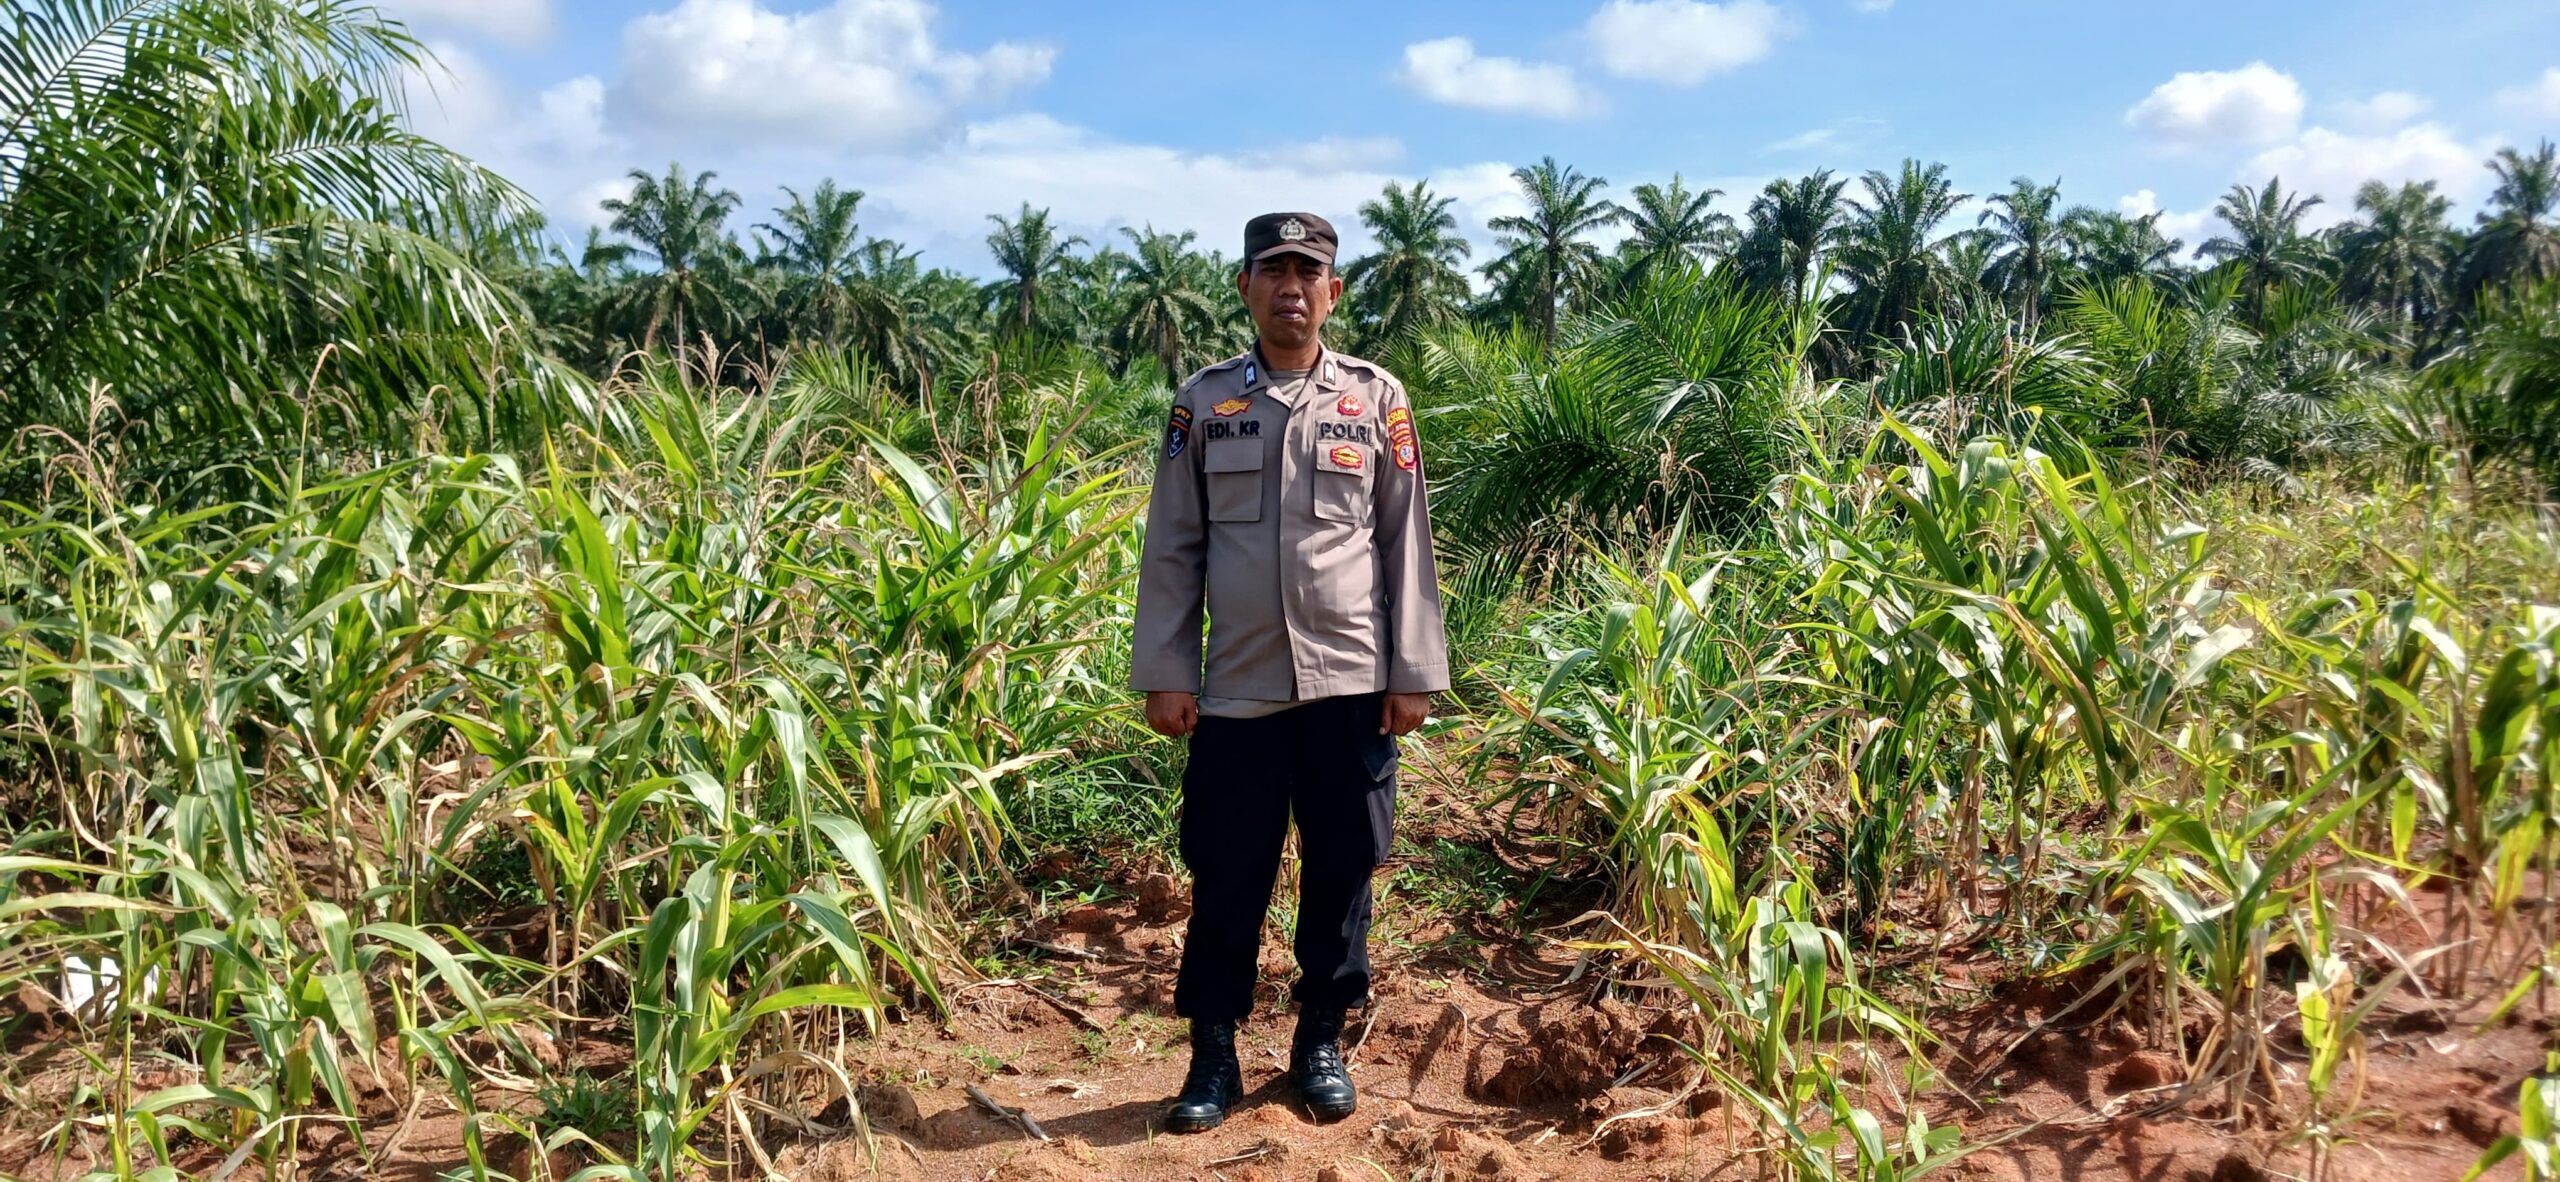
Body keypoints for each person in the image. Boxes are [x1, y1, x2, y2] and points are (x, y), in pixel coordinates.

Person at [1131, 211, 1451, 1132]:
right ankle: (1214, 1053)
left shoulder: (1375, 398)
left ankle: (1319, 1037)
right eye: (1272, 270)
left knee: (1345, 863)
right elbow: (1174, 546)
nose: (1291, 287)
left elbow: (1405, 540)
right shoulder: (1204, 403)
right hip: (1235, 686)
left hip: (1352, 683)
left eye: (1308, 272)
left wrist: (1412, 668)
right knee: (1228, 870)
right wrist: (1167, 669)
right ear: (1244, 287)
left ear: (1333, 291)